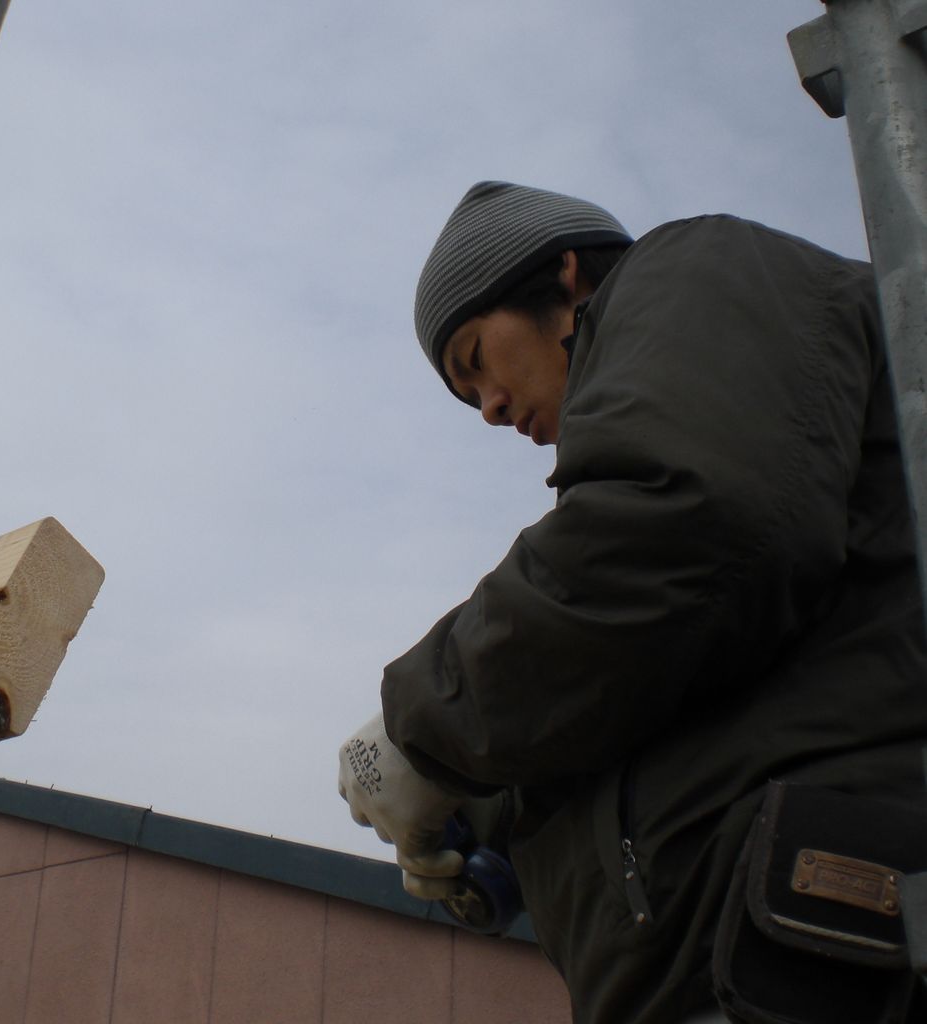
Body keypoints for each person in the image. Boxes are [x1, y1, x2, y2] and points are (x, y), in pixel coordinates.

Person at [336, 181, 927, 1023]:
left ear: (565, 274)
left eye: (476, 360)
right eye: (468, 399)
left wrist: (421, 729)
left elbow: (689, 530)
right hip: (744, 966)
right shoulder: (675, 452)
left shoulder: (697, 268)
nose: (490, 410)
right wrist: (485, 805)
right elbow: (655, 665)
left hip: (826, 947)